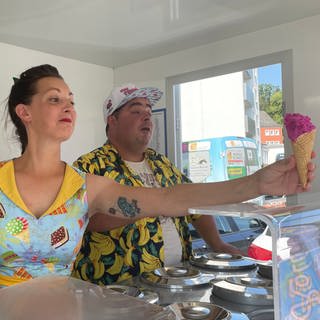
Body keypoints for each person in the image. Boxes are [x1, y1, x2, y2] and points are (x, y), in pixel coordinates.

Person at [0, 64, 315, 288]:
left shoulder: (86, 186)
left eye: (71, 100)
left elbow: (173, 198)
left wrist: (257, 183)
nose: (68, 106)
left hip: (65, 309)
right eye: (55, 99)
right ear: (24, 112)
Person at [72, 83, 243, 286]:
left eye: (148, 111)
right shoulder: (89, 165)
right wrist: (152, 204)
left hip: (177, 281)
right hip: (115, 291)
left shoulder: (163, 163)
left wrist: (217, 244)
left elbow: (194, 204)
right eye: (136, 110)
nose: (146, 117)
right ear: (113, 120)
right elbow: (80, 220)